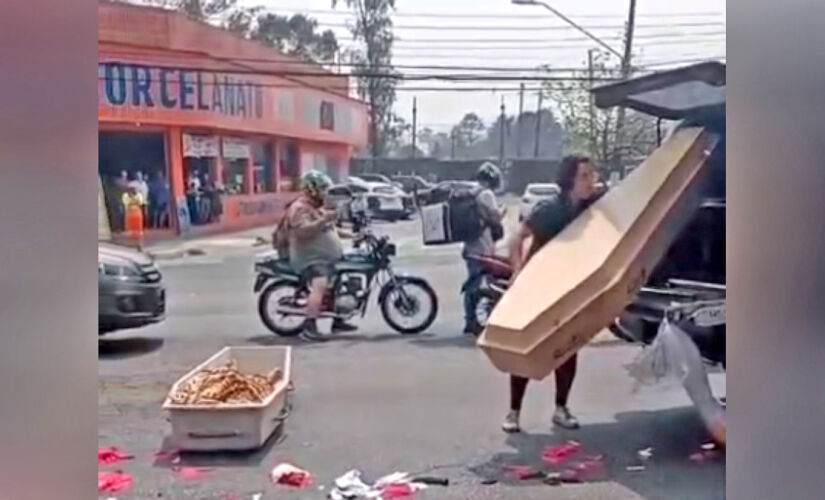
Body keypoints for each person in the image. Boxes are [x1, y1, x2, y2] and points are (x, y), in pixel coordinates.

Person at [501, 155, 604, 433]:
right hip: (539, 285)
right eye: (584, 175)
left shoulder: (593, 208)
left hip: (569, 287)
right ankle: (513, 412)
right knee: (528, 345)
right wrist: (518, 273)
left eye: (592, 175)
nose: (590, 181)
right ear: (569, 179)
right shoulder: (550, 210)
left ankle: (561, 408)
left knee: (567, 348)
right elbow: (517, 238)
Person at [285, 171, 357, 342]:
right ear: (312, 189)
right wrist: (324, 220)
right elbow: (302, 231)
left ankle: (338, 319)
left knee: (342, 278)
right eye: (323, 189)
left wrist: (354, 236)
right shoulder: (299, 208)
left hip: (325, 257)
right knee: (320, 284)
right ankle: (309, 327)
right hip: (309, 258)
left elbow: (330, 230)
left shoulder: (315, 207)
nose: (326, 193)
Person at [462, 163, 506, 335]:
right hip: (482, 247)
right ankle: (474, 321)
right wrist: (503, 212)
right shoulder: (486, 194)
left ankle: (470, 319)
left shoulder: (473, 192)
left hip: (470, 246)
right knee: (483, 285)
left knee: (473, 283)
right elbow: (495, 217)